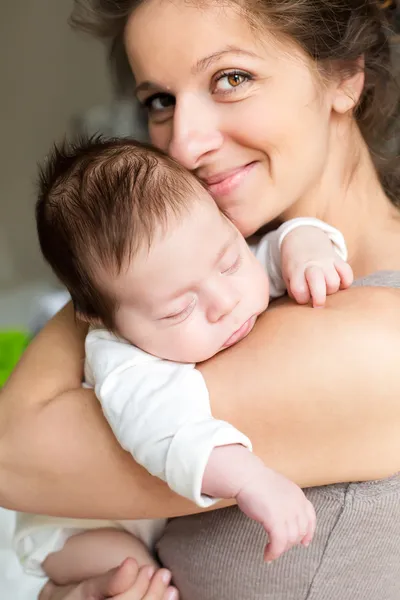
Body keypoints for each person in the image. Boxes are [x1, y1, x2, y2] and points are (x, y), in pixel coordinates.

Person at [1, 0, 400, 598]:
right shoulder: (239, 272)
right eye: (159, 101)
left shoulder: (378, 339)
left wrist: (110, 284)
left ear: (345, 76)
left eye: (231, 79)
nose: (183, 146)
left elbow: (13, 453)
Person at [16, 134, 353, 587]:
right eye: (178, 310)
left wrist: (307, 247)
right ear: (102, 320)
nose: (224, 301)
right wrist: (252, 480)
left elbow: (271, 249)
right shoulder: (123, 362)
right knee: (136, 572)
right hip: (79, 522)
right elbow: (173, 433)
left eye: (230, 262)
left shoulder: (205, 261)